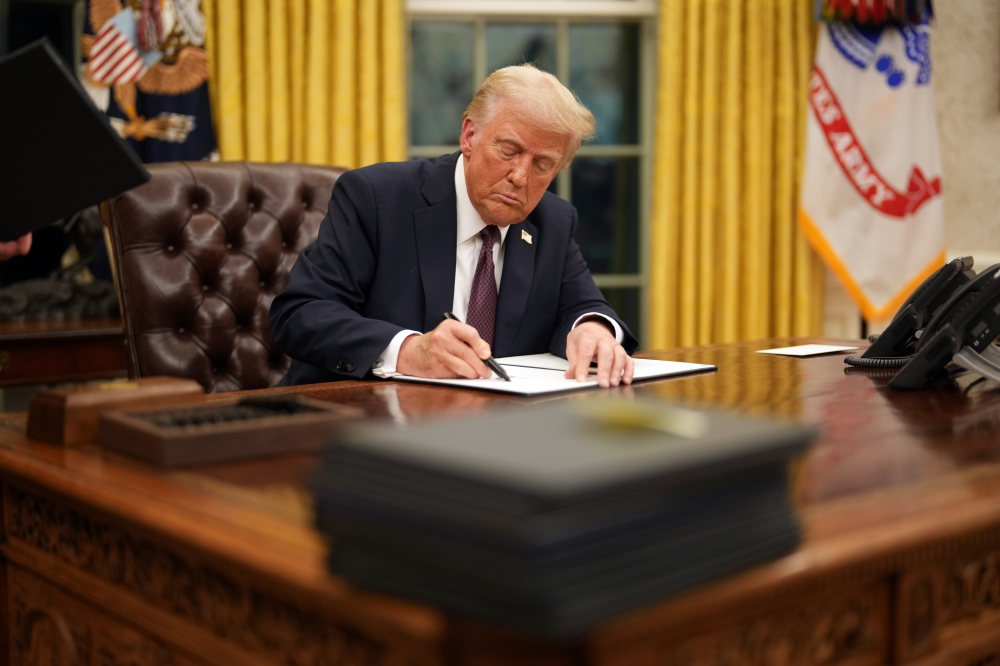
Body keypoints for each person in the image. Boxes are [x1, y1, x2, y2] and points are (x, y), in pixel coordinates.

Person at [270, 64, 638, 388]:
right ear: (469, 136)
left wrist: (593, 329)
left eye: (543, 165)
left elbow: (584, 305)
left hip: (490, 433)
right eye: (508, 150)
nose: (520, 176)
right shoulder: (377, 197)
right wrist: (409, 350)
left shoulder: (552, 221)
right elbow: (301, 313)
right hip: (352, 423)